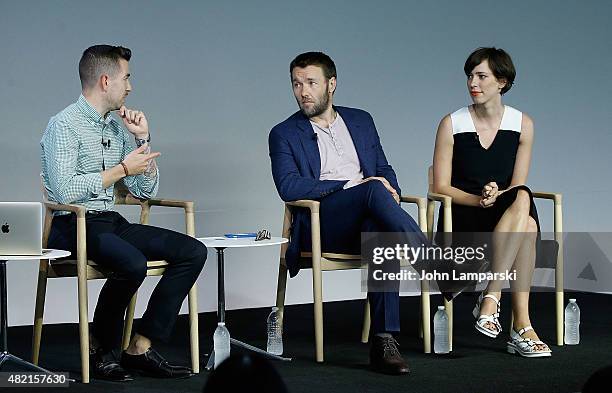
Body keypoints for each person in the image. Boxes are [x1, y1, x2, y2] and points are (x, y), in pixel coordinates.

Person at [41, 45, 207, 381]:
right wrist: (120, 169)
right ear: (105, 80)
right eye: (126, 77)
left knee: (192, 251)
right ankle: (101, 348)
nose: (130, 86)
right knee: (132, 263)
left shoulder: (116, 129)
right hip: (72, 222)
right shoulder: (63, 125)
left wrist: (142, 140)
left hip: (107, 221)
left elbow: (146, 192)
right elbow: (64, 191)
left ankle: (140, 346)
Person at [269, 51, 434, 375]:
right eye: (296, 84)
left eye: (311, 83)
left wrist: (391, 193)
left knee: (381, 229)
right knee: (372, 189)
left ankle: (384, 342)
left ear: (331, 84)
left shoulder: (361, 120)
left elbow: (384, 168)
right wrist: (351, 186)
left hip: (369, 218)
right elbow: (288, 187)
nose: (303, 91)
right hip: (324, 222)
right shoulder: (284, 133)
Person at [432, 47, 551, 357]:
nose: (473, 82)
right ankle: (519, 325)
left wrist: (497, 194)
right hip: (461, 219)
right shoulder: (452, 123)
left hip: (504, 213)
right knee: (525, 224)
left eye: (481, 76)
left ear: (502, 81)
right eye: (470, 76)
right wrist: (477, 199)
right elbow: (440, 185)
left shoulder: (523, 124)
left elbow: (517, 185)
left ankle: (492, 297)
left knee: (522, 201)